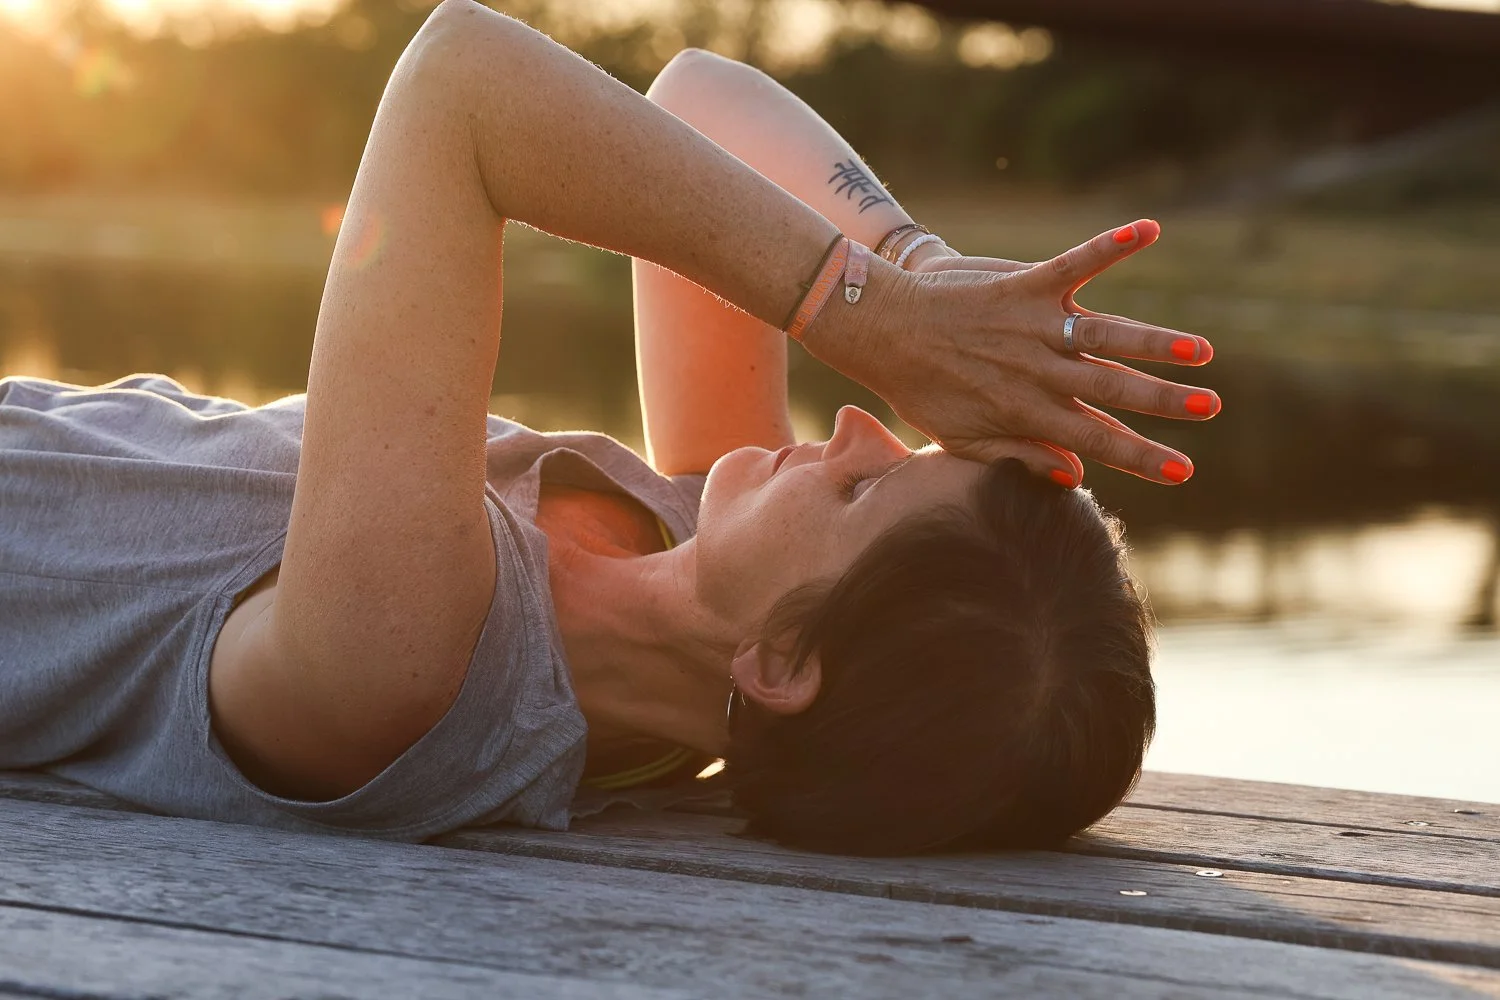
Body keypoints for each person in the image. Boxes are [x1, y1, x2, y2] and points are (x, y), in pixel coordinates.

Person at [0, 0, 1218, 855]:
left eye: (861, 492)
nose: (853, 424)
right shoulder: (685, 549)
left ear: (783, 666)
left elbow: (458, 81)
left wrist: (867, 314)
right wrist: (919, 269)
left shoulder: (407, 667)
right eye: (894, 450)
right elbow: (700, 96)